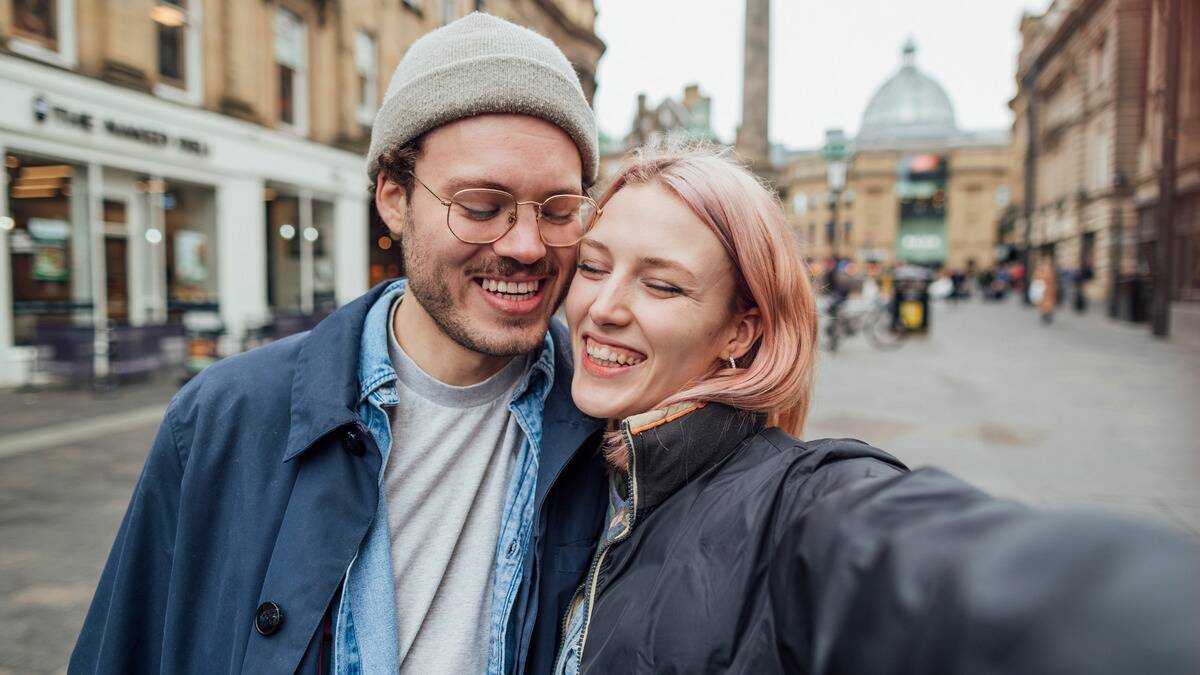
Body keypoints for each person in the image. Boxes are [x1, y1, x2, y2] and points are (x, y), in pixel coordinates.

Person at [70, 13, 610, 674]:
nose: (526, 245)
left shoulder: (612, 431)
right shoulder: (221, 419)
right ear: (392, 197)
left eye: (558, 210)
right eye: (479, 205)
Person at [553, 144, 1200, 674]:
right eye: (591, 265)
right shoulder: (574, 461)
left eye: (662, 284)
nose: (604, 307)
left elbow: (938, 569)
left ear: (742, 332)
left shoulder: (801, 507)